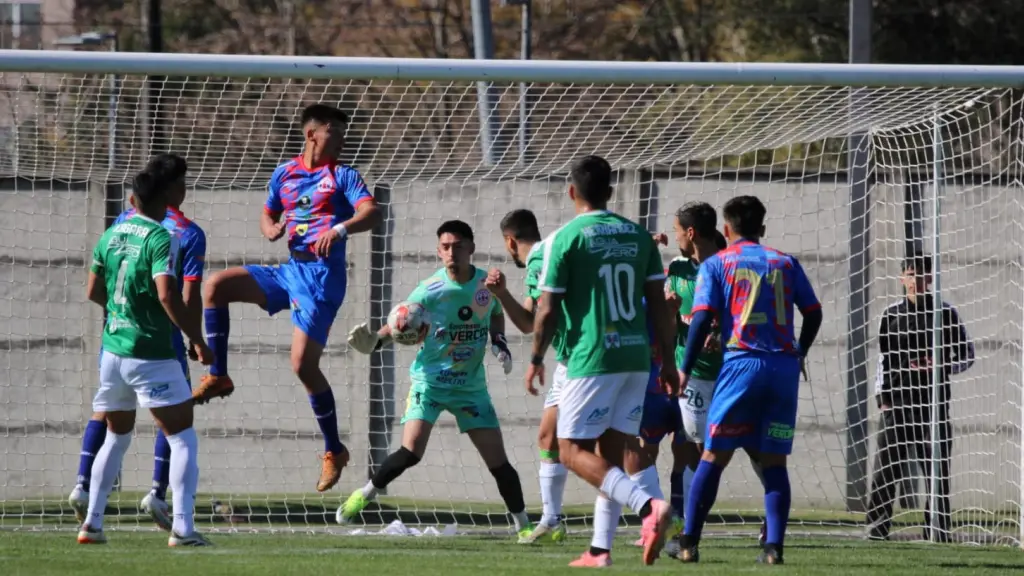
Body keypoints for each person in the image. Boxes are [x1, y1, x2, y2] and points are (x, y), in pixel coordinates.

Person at [194, 104, 381, 492]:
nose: (345, 139)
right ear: (312, 134)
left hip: (321, 279)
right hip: (289, 270)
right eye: (336, 131)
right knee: (215, 286)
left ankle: (334, 450)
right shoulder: (284, 172)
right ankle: (218, 374)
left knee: (302, 366)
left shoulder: (343, 175)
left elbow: (372, 213)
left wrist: (342, 230)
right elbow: (266, 213)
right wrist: (270, 228)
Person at [528, 155, 679, 567]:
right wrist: (668, 361)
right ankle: (599, 549)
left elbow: (545, 310)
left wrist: (536, 357)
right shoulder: (638, 236)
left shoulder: (565, 238)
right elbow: (660, 307)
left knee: (569, 450)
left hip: (591, 358)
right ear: (611, 192)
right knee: (609, 455)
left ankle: (649, 508)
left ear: (571, 191)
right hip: (635, 359)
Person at [341, 220, 531, 538]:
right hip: (429, 383)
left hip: (470, 389)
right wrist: (375, 340)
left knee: (498, 462)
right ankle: (364, 495)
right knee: (411, 452)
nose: (451, 252)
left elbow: (496, 311)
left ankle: (524, 526)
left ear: (471, 248)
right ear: (438, 251)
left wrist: (498, 340)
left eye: (458, 246)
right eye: (445, 247)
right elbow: (402, 320)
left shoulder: (487, 284)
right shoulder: (429, 290)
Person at [677, 195, 823, 565]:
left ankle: (688, 542)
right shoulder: (785, 262)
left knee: (713, 455)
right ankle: (773, 548)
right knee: (774, 462)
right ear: (763, 228)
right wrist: (799, 350)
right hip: (782, 370)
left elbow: (699, 319)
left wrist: (685, 368)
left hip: (741, 364)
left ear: (727, 229)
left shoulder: (717, 264)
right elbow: (814, 312)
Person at [69, 153, 206, 532]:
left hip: (113, 352)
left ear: (132, 201)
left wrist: (122, 313)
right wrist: (196, 337)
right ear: (171, 196)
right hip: (152, 351)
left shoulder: (111, 234)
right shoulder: (163, 237)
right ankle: (183, 529)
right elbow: (167, 296)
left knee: (116, 436)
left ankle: (92, 523)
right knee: (182, 439)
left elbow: (94, 291)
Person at [662, 202, 767, 546]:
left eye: (677, 230)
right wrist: (670, 313)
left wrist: (721, 334)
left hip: (730, 373)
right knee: (692, 449)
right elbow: (668, 320)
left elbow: (748, 313)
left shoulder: (731, 263)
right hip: (691, 376)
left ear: (690, 233)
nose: (675, 236)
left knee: (751, 446)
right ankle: (686, 524)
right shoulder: (676, 268)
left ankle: (770, 515)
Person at [866, 253, 974, 543]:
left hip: (933, 406)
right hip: (898, 405)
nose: (915, 281)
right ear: (902, 279)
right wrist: (882, 398)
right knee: (887, 471)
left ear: (930, 278)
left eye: (921, 275)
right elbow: (882, 360)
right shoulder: (891, 314)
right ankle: (876, 530)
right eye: (910, 274)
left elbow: (967, 355)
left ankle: (937, 531)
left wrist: (942, 366)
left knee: (936, 471)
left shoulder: (945, 313)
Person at [484, 209, 568, 544]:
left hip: (579, 358)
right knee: (550, 437)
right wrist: (503, 294)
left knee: (583, 447)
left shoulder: (537, 262)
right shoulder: (556, 250)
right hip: (594, 354)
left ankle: (650, 509)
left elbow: (535, 322)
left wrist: (535, 358)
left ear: (510, 240)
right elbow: (529, 320)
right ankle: (552, 519)